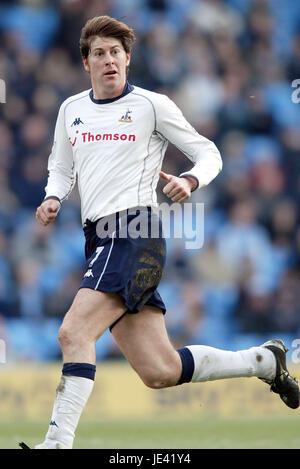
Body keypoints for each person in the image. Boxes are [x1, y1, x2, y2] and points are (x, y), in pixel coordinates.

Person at [28, 16, 298, 450]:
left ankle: (57, 442)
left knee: (72, 333)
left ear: (128, 59)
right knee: (160, 371)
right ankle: (264, 361)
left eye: (116, 52)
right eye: (99, 53)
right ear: (86, 63)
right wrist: (54, 196)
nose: (109, 60)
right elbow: (61, 167)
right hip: (99, 237)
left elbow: (207, 151)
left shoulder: (152, 105)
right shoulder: (70, 110)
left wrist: (191, 181)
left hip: (135, 231)